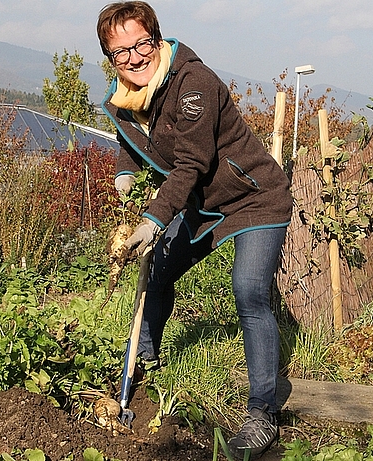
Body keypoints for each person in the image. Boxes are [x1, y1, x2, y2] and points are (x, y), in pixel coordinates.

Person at [97, 2, 293, 457]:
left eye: (141, 44)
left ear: (157, 39)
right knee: (160, 269)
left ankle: (263, 413)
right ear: (110, 56)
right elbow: (136, 139)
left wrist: (153, 218)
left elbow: (192, 161)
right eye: (120, 52)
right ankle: (144, 361)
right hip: (202, 203)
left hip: (253, 197)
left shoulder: (193, 83)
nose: (134, 58)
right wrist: (125, 173)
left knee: (248, 291)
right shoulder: (124, 96)